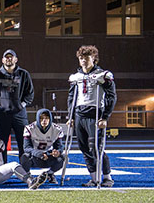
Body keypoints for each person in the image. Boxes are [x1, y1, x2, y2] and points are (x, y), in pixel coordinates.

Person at [67, 45, 116, 187]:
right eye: (81, 58)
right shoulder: (76, 77)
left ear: (94, 58)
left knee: (96, 147)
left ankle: (107, 177)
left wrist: (105, 117)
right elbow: (71, 97)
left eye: (86, 58)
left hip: (95, 114)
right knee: (83, 148)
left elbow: (111, 97)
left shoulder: (103, 75)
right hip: (79, 114)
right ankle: (94, 178)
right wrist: (70, 116)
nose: (83, 61)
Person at [0, 49, 33, 162]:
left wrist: (21, 105)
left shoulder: (24, 74)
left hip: (19, 114)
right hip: (3, 114)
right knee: (1, 143)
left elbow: (30, 93)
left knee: (23, 142)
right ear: (2, 60)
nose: (8, 59)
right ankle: (2, 168)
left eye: (11, 57)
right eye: (6, 57)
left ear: (16, 59)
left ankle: (25, 168)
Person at [20, 109, 64, 189]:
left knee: (62, 158)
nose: (44, 120)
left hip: (48, 156)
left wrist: (57, 152)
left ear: (50, 119)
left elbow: (60, 147)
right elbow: (26, 148)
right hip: (35, 157)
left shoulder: (57, 129)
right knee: (25, 157)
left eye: (46, 118)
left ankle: (49, 174)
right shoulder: (29, 128)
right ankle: (29, 178)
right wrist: (38, 153)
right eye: (41, 118)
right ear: (37, 118)